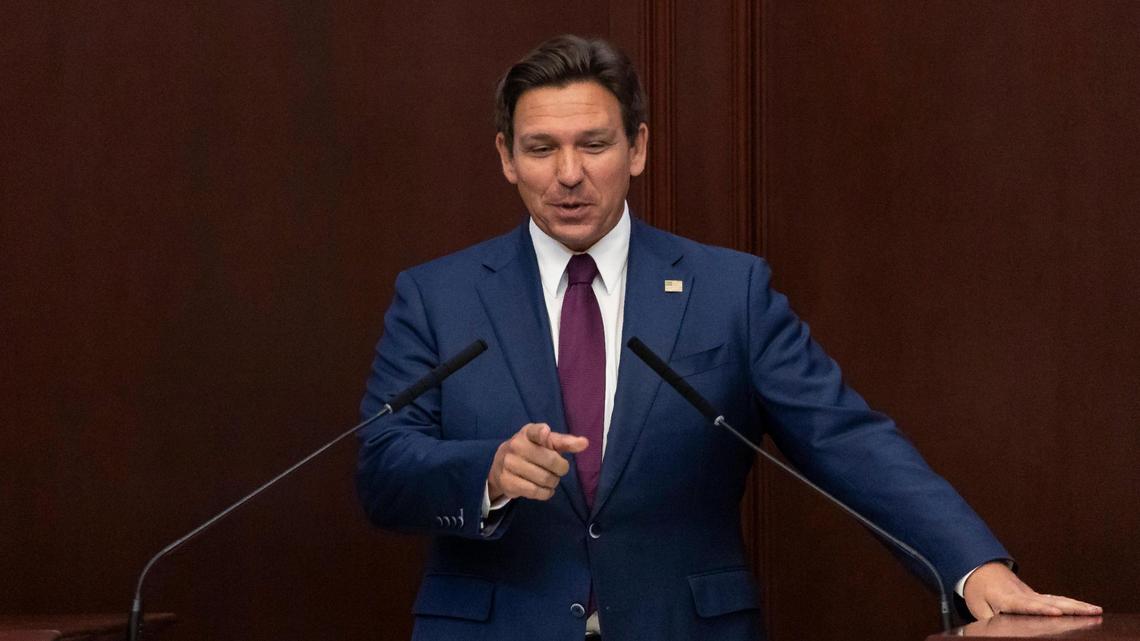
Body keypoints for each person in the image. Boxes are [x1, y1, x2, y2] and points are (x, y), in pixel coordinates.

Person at [356, 34, 1100, 641]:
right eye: (542, 148)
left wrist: (975, 570)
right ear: (505, 158)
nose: (570, 174)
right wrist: (486, 471)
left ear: (638, 148)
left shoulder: (727, 292)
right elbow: (383, 468)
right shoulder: (439, 294)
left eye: (594, 143)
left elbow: (845, 438)